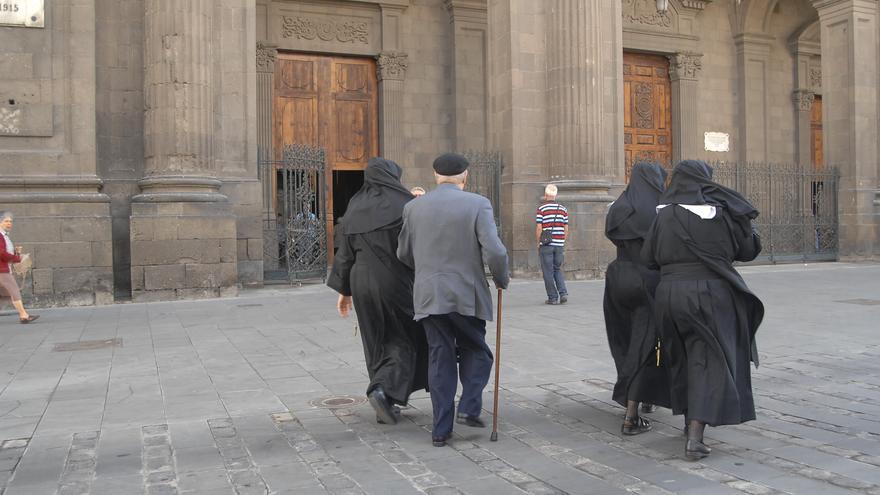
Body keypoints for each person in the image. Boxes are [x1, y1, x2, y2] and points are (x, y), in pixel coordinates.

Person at [642, 160, 764, 461]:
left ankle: (688, 421)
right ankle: (695, 438)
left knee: (682, 359)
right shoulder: (720, 213)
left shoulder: (664, 214)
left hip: (669, 294)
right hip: (709, 294)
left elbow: (648, 258)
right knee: (708, 361)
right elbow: (747, 251)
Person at [397, 153, 509, 447]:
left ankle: (440, 429)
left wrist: (427, 271)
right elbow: (495, 252)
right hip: (466, 294)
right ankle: (470, 406)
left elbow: (404, 254)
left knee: (440, 357)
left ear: (435, 176)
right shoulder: (477, 204)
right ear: (465, 177)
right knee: (477, 350)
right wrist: (501, 278)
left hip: (429, 293)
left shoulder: (413, 207)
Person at [327, 158, 429, 425]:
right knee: (403, 335)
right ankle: (383, 391)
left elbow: (345, 254)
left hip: (361, 280)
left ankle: (386, 400)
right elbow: (416, 248)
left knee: (375, 337)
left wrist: (344, 291)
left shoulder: (354, 206)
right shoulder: (405, 205)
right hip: (394, 278)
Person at [603, 163, 670, 435]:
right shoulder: (660, 209)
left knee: (623, 339)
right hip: (648, 280)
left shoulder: (620, 206)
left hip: (618, 276)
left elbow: (611, 233)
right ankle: (631, 414)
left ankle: (642, 393)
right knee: (647, 344)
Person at [0, 212, 38, 324]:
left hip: (4, 268)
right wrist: (17, 258)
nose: (9, 223)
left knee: (4, 294)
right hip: (2, 270)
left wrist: (16, 253)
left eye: (10, 221)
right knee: (14, 290)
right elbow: (1, 253)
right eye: (6, 221)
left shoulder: (4, 236)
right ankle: (24, 315)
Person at [535, 184, 569, 304]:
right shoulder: (563, 209)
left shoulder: (541, 209)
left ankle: (552, 297)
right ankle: (563, 293)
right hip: (559, 244)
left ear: (545, 195)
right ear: (555, 195)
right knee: (557, 269)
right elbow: (566, 229)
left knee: (548, 271)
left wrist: (538, 242)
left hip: (546, 244)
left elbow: (539, 228)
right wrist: (562, 241)